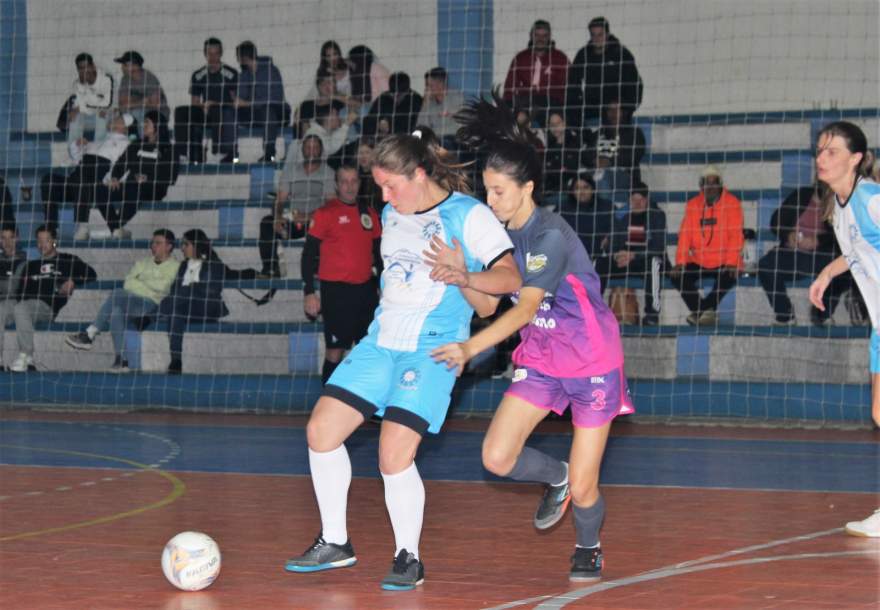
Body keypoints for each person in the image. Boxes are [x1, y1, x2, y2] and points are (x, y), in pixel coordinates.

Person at [283, 128, 521, 591]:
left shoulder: (468, 215)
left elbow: (501, 292)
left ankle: (408, 556)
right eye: (381, 188)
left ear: (418, 173)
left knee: (393, 454)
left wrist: (463, 273)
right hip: (380, 343)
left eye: (392, 185)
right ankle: (335, 542)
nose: (385, 197)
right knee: (321, 431)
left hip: (432, 348)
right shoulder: (392, 214)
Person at [430, 92, 633, 582]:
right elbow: (489, 300)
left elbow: (523, 308)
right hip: (543, 356)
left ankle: (588, 545)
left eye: (498, 191)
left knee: (589, 488)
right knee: (496, 457)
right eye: (487, 190)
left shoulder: (549, 237)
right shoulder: (500, 237)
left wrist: (471, 348)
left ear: (527, 189)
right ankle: (554, 477)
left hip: (590, 359)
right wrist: (463, 276)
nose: (490, 200)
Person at [807, 121, 880, 537]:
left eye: (832, 151)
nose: (822, 157)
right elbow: (856, 253)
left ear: (855, 159)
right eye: (819, 150)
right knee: (878, 412)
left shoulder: (870, 198)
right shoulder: (837, 206)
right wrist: (827, 275)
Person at [302, 165, 381, 384]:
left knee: (368, 350)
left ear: (360, 183)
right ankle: (327, 403)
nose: (349, 186)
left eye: (354, 181)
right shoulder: (325, 213)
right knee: (335, 351)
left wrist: (383, 286)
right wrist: (309, 292)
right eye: (344, 181)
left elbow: (380, 255)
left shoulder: (370, 214)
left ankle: (366, 406)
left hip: (366, 291)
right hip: (336, 292)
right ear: (337, 185)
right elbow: (308, 255)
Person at [65, 229, 180, 371]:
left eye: (158, 243)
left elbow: (163, 288)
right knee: (116, 312)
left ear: (169, 246)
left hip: (152, 306)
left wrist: (140, 282)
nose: (153, 246)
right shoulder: (143, 262)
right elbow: (128, 283)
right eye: (152, 242)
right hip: (131, 302)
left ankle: (90, 333)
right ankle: (122, 360)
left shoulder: (176, 266)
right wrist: (148, 286)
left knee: (118, 293)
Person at [1, 225, 96, 372]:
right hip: (24, 304)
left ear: (54, 241)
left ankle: (27, 357)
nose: (42, 244)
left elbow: (91, 273)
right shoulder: (31, 265)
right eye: (39, 240)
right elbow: (18, 291)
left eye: (46, 240)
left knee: (21, 308)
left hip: (46, 306)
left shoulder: (67, 260)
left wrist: (73, 281)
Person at [758, 184, 847, 325]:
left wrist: (817, 240)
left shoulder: (840, 203)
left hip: (819, 256)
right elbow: (775, 222)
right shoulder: (801, 195)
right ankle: (785, 314)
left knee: (845, 267)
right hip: (791, 254)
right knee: (765, 265)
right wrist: (788, 235)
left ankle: (824, 314)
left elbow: (841, 237)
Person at [80, 110, 176, 239]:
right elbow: (121, 164)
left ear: (157, 125)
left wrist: (147, 178)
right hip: (131, 184)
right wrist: (114, 177)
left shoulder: (168, 149)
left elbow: (169, 176)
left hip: (153, 187)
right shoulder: (137, 145)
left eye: (147, 122)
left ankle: (114, 228)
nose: (144, 126)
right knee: (100, 189)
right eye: (144, 123)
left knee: (135, 187)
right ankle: (116, 229)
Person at [41, 110, 134, 238]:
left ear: (125, 128)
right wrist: (77, 145)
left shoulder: (127, 144)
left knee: (87, 170)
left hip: (98, 184)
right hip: (78, 183)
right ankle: (51, 229)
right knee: (49, 180)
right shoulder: (99, 142)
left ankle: (83, 226)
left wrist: (113, 178)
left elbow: (126, 167)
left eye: (119, 120)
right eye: (116, 119)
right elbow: (76, 159)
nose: (114, 121)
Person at [669, 165, 743, 326]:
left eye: (713, 183)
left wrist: (731, 262)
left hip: (724, 261)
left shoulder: (732, 203)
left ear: (720, 185)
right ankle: (704, 311)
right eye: (706, 183)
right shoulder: (693, 205)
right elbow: (685, 235)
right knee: (675, 276)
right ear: (701, 187)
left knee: (731, 274)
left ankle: (700, 312)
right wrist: (680, 263)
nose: (710, 187)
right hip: (699, 260)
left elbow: (736, 235)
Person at [259, 134, 337, 277]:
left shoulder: (328, 173)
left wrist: (307, 216)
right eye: (308, 147)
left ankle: (317, 269)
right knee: (266, 223)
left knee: (327, 224)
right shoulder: (291, 171)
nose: (312, 150)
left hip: (315, 221)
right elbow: (280, 200)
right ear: (302, 150)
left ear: (321, 150)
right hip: (293, 220)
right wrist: (277, 216)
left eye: (315, 147)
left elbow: (331, 206)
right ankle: (271, 268)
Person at [594, 181, 668, 325]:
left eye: (641, 200)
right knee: (600, 262)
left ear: (647, 200)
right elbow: (611, 243)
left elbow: (658, 246)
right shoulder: (621, 215)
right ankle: (592, 310)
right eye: (634, 199)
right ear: (629, 200)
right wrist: (617, 255)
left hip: (644, 259)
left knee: (654, 263)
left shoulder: (657, 215)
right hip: (623, 259)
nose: (637, 203)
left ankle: (652, 314)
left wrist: (634, 255)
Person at [158, 229, 229, 374]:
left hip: (206, 307)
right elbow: (174, 291)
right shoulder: (184, 265)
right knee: (175, 312)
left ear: (196, 245)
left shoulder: (214, 264)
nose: (182, 248)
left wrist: (190, 290)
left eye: (186, 244)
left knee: (184, 292)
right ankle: (176, 360)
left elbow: (211, 291)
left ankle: (150, 316)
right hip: (185, 307)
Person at [567, 16, 643, 125]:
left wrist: (626, 108)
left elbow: (635, 84)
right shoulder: (583, 55)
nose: (597, 38)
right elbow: (573, 84)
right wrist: (576, 106)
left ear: (607, 34)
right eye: (593, 35)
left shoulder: (622, 54)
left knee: (614, 118)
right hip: (592, 106)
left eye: (600, 34)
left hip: (616, 107)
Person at [174, 37, 239, 164]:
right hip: (205, 113)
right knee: (181, 111)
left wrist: (215, 104)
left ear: (221, 54)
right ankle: (181, 153)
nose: (213, 57)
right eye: (210, 54)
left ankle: (218, 151)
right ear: (205, 54)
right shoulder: (198, 75)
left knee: (216, 109)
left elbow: (235, 103)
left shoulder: (231, 73)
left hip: (223, 113)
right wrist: (202, 106)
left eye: (216, 54)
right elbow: (195, 102)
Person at [232, 41, 288, 162]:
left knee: (268, 111)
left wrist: (247, 103)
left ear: (245, 58)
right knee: (230, 113)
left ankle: (270, 154)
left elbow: (275, 99)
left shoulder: (271, 71)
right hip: (256, 114)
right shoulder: (244, 75)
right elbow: (241, 98)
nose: (239, 62)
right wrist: (234, 98)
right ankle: (232, 154)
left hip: (277, 113)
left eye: (239, 58)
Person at [582, 98, 646, 203]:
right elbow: (585, 155)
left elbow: (634, 156)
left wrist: (609, 162)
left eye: (617, 109)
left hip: (626, 176)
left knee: (602, 176)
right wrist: (595, 160)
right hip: (599, 173)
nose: (613, 113)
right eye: (610, 110)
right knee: (588, 176)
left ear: (623, 112)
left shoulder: (634, 133)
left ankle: (604, 211)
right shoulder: (600, 133)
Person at [502, 19, 569, 120]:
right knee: (519, 117)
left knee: (555, 119)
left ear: (549, 37)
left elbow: (568, 85)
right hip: (527, 101)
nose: (540, 39)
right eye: (537, 35)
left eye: (544, 35)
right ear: (531, 36)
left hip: (551, 102)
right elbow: (510, 87)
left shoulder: (560, 58)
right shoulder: (520, 58)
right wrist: (507, 105)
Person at [66, 53, 115, 158]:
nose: (84, 70)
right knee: (74, 116)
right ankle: (74, 150)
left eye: (86, 66)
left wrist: (83, 106)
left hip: (111, 112)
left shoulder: (107, 79)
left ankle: (100, 151)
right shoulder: (77, 84)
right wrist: (79, 108)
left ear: (93, 66)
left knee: (102, 114)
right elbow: (79, 103)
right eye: (80, 68)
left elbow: (108, 103)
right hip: (90, 113)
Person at [558, 172, 614, 262]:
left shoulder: (606, 206)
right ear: (572, 191)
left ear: (592, 189)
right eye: (577, 188)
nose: (582, 192)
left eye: (586, 187)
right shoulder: (563, 209)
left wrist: (609, 238)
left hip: (599, 258)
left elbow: (617, 229)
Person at [115, 50, 169, 135]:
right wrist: (142, 101)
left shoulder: (149, 79)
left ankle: (142, 143)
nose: (122, 67)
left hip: (158, 114)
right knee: (114, 114)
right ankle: (125, 143)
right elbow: (122, 103)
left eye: (124, 65)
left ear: (135, 66)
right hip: (137, 110)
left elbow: (155, 104)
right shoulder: (125, 79)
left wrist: (133, 102)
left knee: (136, 112)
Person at [542, 110, 585, 207]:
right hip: (551, 189)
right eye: (552, 124)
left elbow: (571, 168)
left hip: (569, 189)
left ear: (564, 124)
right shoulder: (549, 147)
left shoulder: (575, 142)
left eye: (558, 123)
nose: (555, 127)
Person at [416, 67, 465, 151]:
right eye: (426, 85)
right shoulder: (430, 103)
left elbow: (459, 124)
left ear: (440, 84)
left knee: (443, 143)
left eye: (430, 85)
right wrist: (425, 104)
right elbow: (421, 126)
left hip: (453, 138)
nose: (427, 89)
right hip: (435, 139)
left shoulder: (456, 97)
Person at [364, 72, 423, 136]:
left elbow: (417, 128)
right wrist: (378, 124)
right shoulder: (384, 98)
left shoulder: (416, 101)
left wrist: (389, 127)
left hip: (405, 140)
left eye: (399, 95)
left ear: (407, 91)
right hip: (381, 139)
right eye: (393, 94)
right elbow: (367, 122)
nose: (395, 98)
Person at [295, 68, 347, 139]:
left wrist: (335, 96)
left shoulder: (338, 103)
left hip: (334, 141)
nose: (326, 85)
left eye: (330, 82)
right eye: (323, 82)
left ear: (335, 86)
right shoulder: (306, 105)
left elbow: (360, 106)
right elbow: (305, 132)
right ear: (318, 86)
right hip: (312, 143)